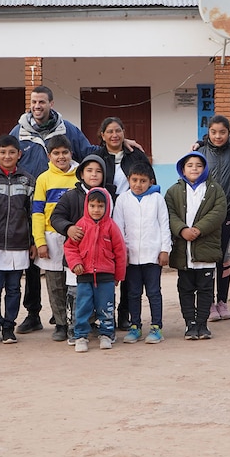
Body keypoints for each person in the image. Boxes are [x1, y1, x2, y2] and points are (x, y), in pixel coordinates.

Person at [8, 86, 141, 335]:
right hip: (34, 206)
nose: (37, 106)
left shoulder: (67, 130)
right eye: (34, 102)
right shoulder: (19, 131)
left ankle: (74, 321)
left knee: (75, 278)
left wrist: (118, 143)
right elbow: (7, 155)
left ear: (51, 103)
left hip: (75, 230)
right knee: (37, 269)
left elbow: (90, 151)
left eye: (42, 102)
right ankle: (35, 314)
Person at [92, 116, 155, 330]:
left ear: (124, 132)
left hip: (132, 214)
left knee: (127, 264)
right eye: (109, 131)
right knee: (106, 267)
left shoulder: (135, 154)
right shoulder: (97, 157)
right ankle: (103, 314)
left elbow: (150, 180)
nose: (114, 135)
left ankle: (125, 313)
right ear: (102, 135)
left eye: (118, 131)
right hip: (103, 215)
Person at [0, 135, 37, 346]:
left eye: (12, 152)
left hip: (19, 244)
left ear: (19, 154)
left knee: (14, 289)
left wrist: (33, 241)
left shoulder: (28, 180)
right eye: (2, 152)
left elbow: (33, 214)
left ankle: (9, 327)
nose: (7, 156)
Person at [50, 154, 115, 345]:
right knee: (76, 295)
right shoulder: (71, 196)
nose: (94, 174)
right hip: (77, 259)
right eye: (89, 170)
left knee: (101, 295)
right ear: (81, 174)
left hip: (101, 260)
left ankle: (99, 327)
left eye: (98, 171)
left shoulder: (108, 196)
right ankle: (74, 328)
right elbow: (56, 217)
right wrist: (68, 228)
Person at [166, 152, 226, 340]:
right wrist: (182, 230)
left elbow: (218, 212)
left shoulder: (215, 189)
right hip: (184, 251)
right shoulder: (173, 191)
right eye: (190, 165)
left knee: (206, 290)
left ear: (205, 169)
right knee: (185, 289)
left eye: (199, 165)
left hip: (206, 249)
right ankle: (190, 324)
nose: (194, 168)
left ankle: (202, 324)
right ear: (182, 169)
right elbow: (169, 213)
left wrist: (199, 229)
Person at [112, 162, 171, 344]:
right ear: (128, 180)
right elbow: (118, 228)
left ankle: (156, 327)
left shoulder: (157, 199)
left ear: (150, 182)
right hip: (131, 257)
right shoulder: (122, 200)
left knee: (154, 292)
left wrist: (165, 249)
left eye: (143, 181)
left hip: (152, 255)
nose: (138, 184)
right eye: (135, 180)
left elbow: (164, 225)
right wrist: (122, 254)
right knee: (133, 293)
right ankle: (135, 326)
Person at [64, 188, 127, 353]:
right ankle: (81, 336)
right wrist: (75, 263)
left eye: (100, 206)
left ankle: (107, 334)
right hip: (84, 275)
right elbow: (70, 248)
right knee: (82, 307)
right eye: (92, 206)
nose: (96, 210)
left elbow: (120, 252)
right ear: (87, 206)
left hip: (106, 276)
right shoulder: (80, 225)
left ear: (107, 207)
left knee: (106, 306)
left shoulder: (111, 226)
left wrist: (118, 276)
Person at [32, 136, 79, 342]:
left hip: (76, 236)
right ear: (49, 156)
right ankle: (61, 324)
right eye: (56, 153)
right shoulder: (43, 179)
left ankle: (79, 321)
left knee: (77, 283)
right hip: (51, 238)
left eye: (65, 152)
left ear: (71, 153)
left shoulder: (81, 175)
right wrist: (40, 242)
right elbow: (37, 213)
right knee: (55, 284)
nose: (61, 157)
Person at [196, 114, 230, 320]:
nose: (218, 136)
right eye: (213, 132)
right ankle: (209, 304)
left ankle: (222, 301)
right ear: (208, 132)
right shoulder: (200, 154)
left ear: (228, 133)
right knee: (208, 258)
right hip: (206, 216)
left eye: (222, 132)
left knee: (224, 259)